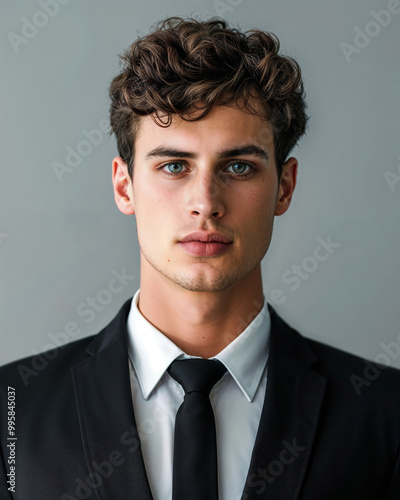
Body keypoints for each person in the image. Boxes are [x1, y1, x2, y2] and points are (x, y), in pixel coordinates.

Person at [1, 16, 399, 500]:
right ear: (124, 186)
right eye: (173, 166)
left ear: (285, 187)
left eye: (238, 166)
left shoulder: (384, 413)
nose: (205, 201)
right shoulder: (12, 408)